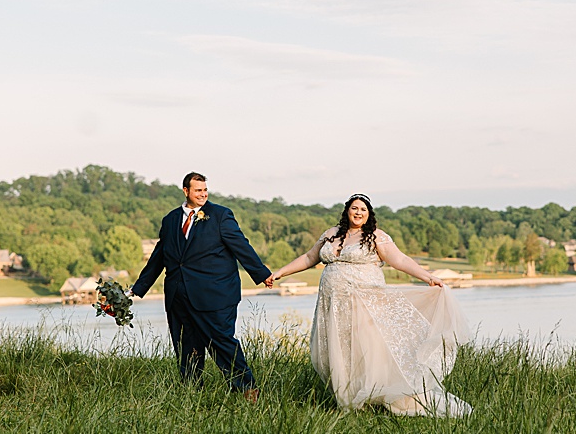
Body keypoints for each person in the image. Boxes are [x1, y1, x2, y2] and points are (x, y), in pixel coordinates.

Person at [270, 193, 472, 416]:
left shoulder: (376, 236)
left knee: (365, 348)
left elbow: (401, 260)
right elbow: (309, 257)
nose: (358, 212)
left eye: (363, 210)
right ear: (347, 210)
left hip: (365, 303)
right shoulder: (331, 234)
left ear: (369, 215)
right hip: (332, 305)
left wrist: (428, 277)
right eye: (355, 208)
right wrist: (280, 272)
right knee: (337, 350)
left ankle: (370, 395)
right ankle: (348, 399)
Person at [132, 172, 273, 402]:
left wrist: (262, 273)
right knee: (187, 347)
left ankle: (248, 389)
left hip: (215, 296)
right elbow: (159, 257)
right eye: (198, 190)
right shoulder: (170, 220)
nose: (203, 194)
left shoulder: (220, 215)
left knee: (222, 342)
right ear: (186, 191)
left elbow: (241, 247)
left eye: (205, 189)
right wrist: (137, 288)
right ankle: (192, 394)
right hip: (178, 296)